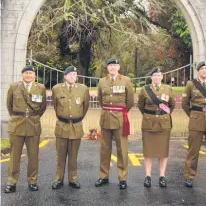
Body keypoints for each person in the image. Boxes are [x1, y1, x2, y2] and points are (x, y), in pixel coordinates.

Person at [5, 65, 46, 193]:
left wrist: (33, 117)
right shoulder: (14, 87)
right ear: (22, 74)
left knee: (33, 156)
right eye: (26, 73)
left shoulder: (40, 88)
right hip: (17, 125)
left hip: (33, 125)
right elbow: (9, 105)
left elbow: (43, 107)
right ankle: (11, 182)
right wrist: (17, 117)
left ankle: (32, 181)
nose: (28, 75)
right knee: (14, 156)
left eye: (31, 73)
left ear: (34, 75)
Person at [95, 58, 134, 189]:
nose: (112, 67)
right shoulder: (101, 81)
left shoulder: (126, 81)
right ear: (107, 67)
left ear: (119, 67)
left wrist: (120, 111)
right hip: (106, 117)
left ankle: (122, 178)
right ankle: (103, 176)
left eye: (115, 65)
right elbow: (101, 100)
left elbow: (130, 101)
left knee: (122, 149)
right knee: (104, 149)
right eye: (110, 65)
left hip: (120, 119)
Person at [51, 66, 89, 189]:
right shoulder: (57, 89)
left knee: (73, 156)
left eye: (74, 74)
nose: (73, 76)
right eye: (70, 74)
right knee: (60, 156)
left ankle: (73, 179)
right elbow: (55, 106)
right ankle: (58, 179)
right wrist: (64, 118)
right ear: (65, 76)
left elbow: (85, 107)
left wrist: (76, 119)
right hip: (62, 126)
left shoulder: (83, 89)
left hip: (76, 127)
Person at [138, 67, 175, 188]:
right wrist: (151, 115)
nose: (157, 77)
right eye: (154, 75)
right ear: (151, 77)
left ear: (162, 76)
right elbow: (141, 106)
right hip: (149, 123)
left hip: (164, 123)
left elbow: (172, 105)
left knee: (163, 152)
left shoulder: (168, 89)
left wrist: (162, 114)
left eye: (159, 75)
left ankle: (162, 176)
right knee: (148, 151)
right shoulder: (145, 90)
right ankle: (147, 176)